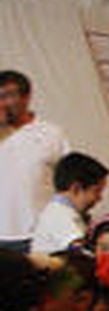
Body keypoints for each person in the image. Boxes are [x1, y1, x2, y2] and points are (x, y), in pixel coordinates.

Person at [0, 69, 70, 252]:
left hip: (39, 232)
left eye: (8, 96)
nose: (3, 103)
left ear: (26, 97)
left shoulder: (51, 133)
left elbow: (67, 181)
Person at [30, 150, 109, 254]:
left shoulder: (63, 212)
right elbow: (82, 252)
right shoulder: (59, 216)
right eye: (97, 191)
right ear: (76, 188)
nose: (100, 198)